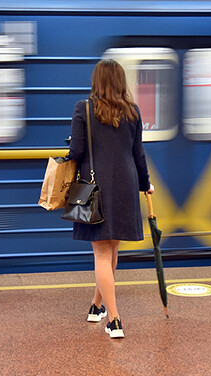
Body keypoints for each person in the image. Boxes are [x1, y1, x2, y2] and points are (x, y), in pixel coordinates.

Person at [68, 59, 154, 339]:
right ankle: (97, 307)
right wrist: (145, 184)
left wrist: (70, 147)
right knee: (113, 248)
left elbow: (78, 152)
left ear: (97, 81)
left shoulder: (84, 108)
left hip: (96, 187)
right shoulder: (133, 111)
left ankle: (114, 320)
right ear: (120, 82)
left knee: (101, 253)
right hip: (125, 184)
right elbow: (138, 153)